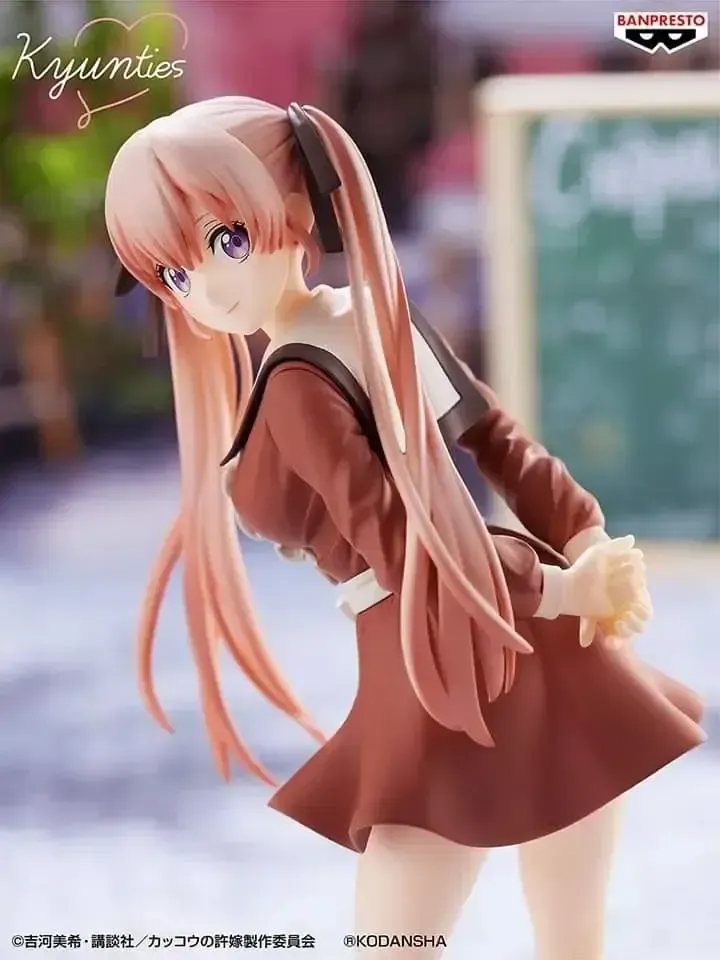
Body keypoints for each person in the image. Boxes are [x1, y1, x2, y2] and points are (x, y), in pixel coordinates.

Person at [104, 97, 705, 960]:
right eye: (172, 274)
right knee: (564, 937)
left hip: (444, 655)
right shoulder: (369, 315)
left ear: (294, 209)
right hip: (499, 626)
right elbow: (489, 455)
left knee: (413, 940)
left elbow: (415, 539)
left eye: (225, 242)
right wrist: (576, 554)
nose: (206, 287)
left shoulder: (303, 380)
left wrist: (577, 562)